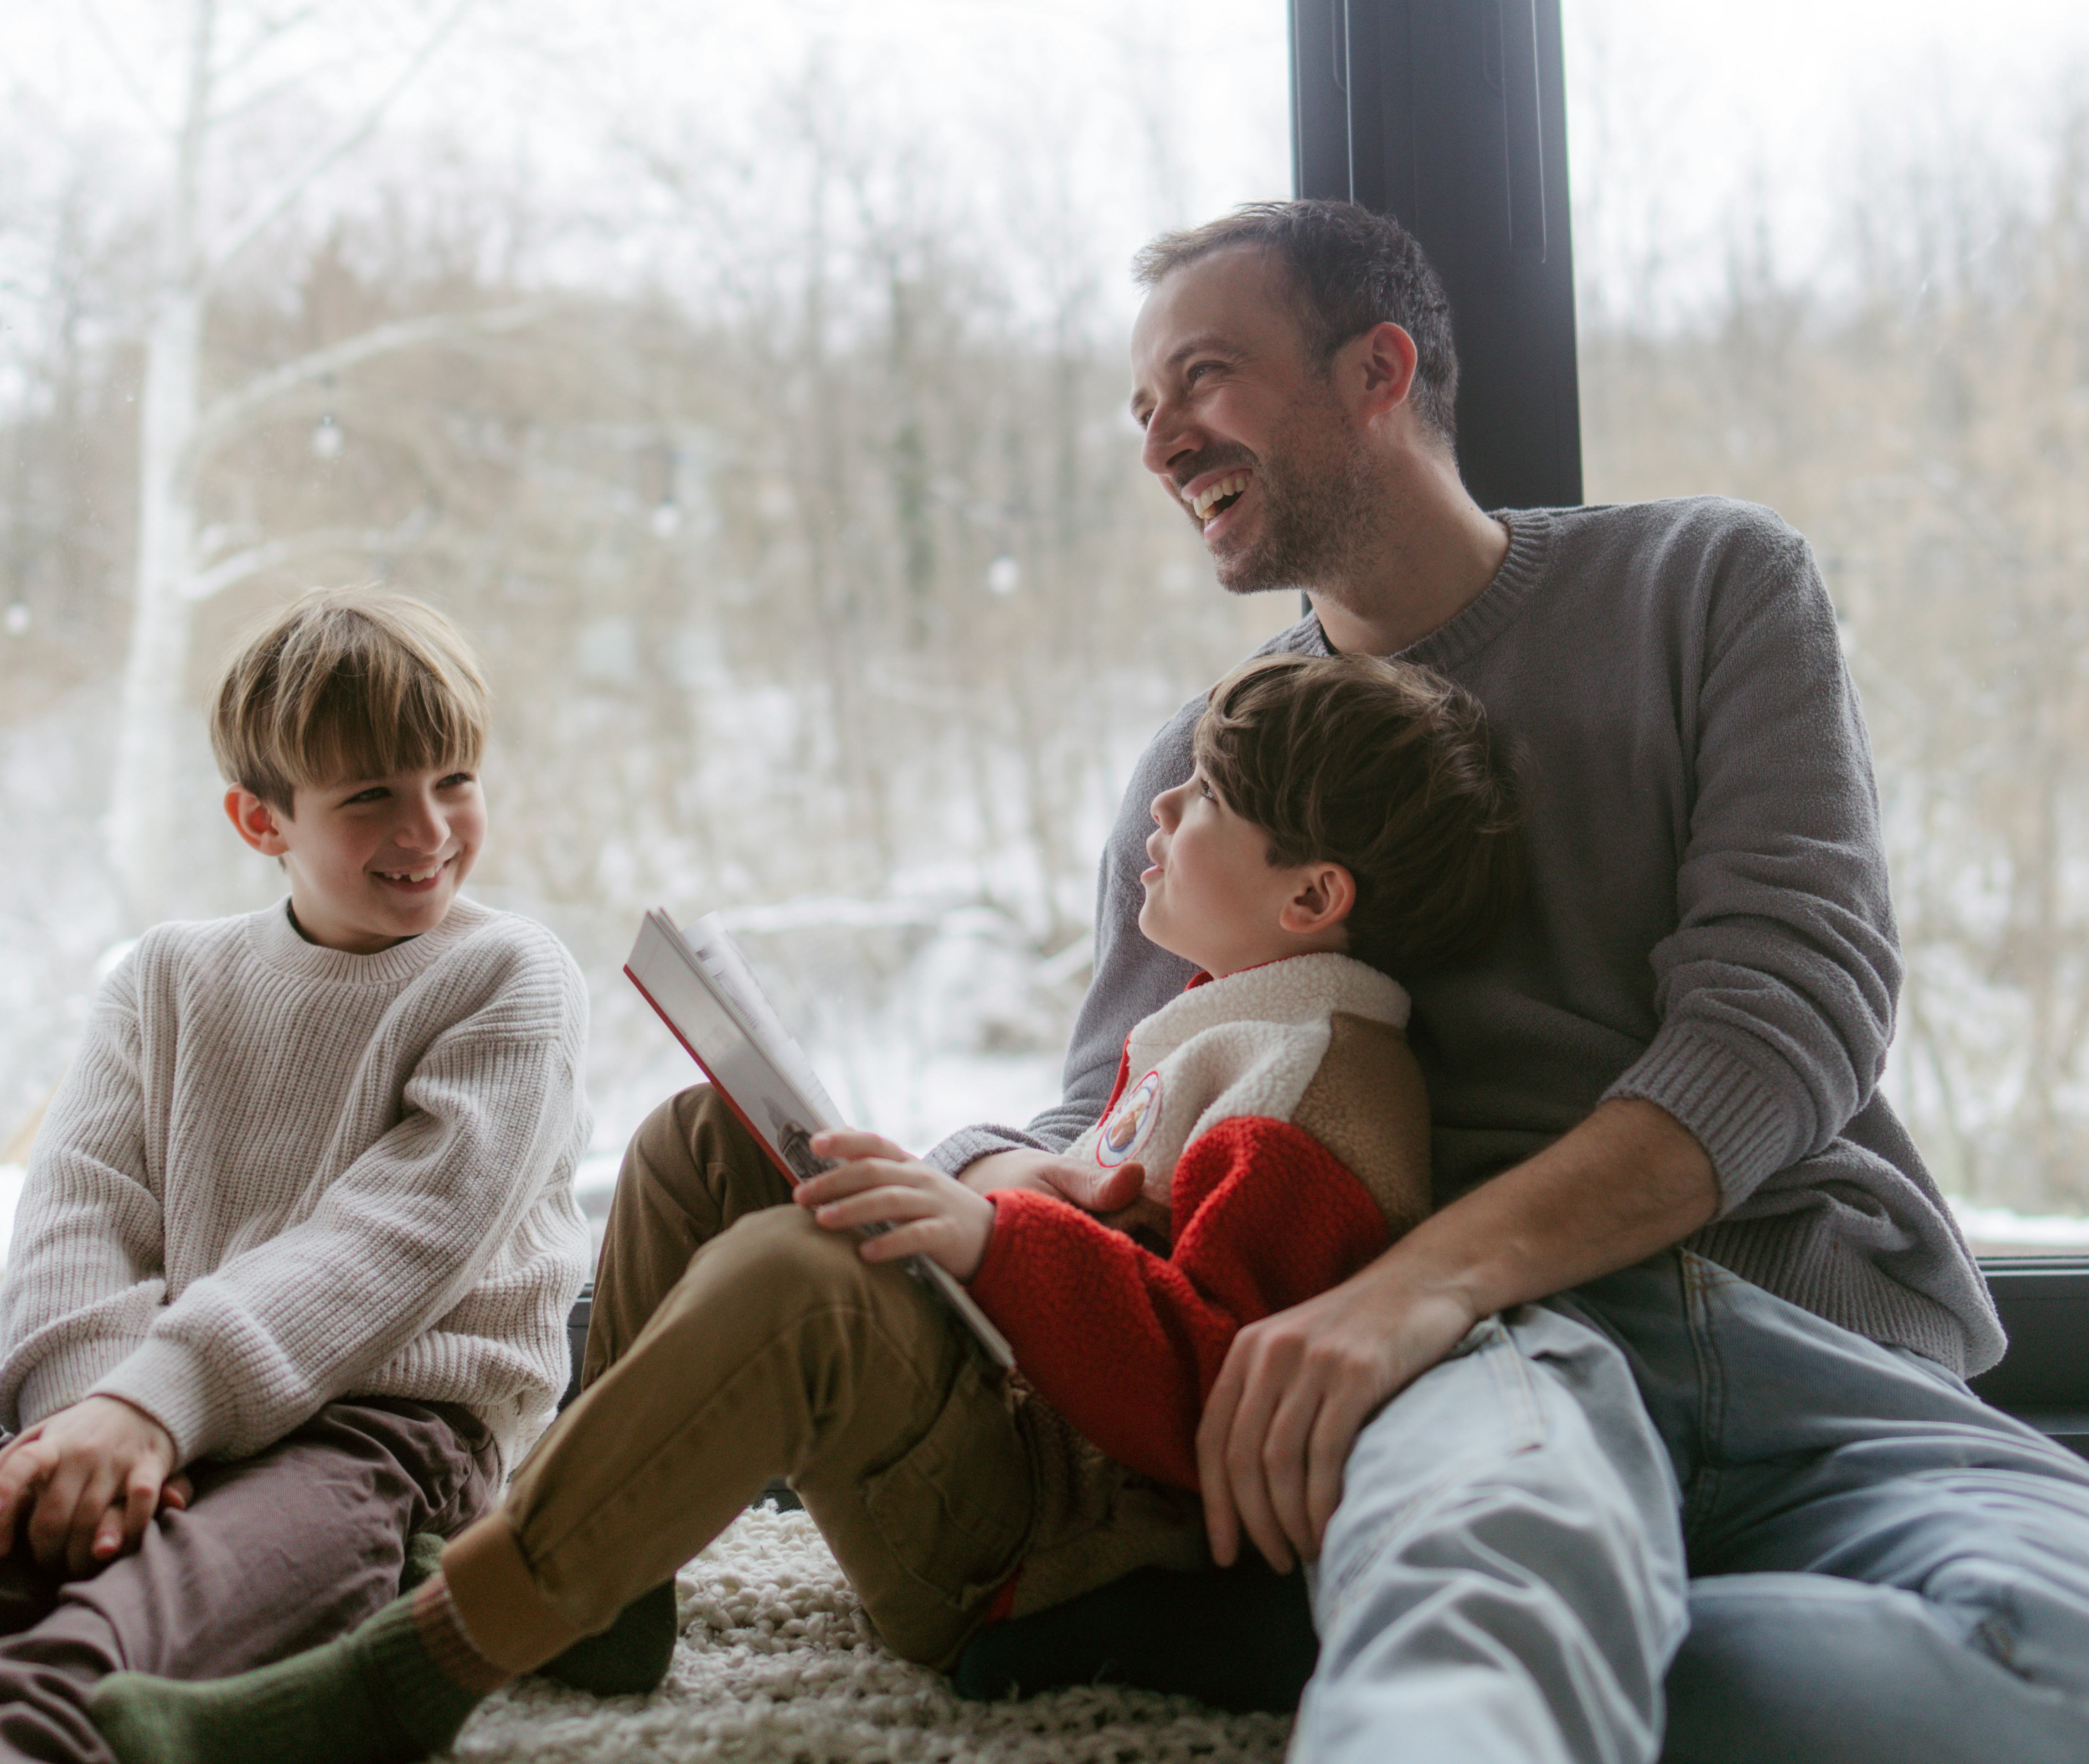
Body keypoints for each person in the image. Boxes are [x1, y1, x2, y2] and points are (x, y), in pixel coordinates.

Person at [927, 202, 2089, 1764]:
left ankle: (1339, 1646)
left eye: (1201, 379)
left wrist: (1426, 1275)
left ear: (1378, 371)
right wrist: (977, 1173)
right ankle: (1445, 1648)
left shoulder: (1710, 585)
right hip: (1479, 1371)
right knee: (1473, 1665)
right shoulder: (1204, 769)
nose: (1159, 443)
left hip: (1794, 1341)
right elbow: (1096, 1109)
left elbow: (1783, 1018)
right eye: (1141, 408)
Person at [84, 646, 1526, 1764]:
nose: (1161, 806)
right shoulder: (1239, 1016)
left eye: (1209, 799)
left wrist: (994, 1236)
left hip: (1051, 1551)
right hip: (1026, 1440)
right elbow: (1129, 1238)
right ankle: (606, 1587)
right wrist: (1016, 1189)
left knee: (798, 1281)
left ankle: (400, 1681)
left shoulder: (1321, 1089)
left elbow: (1217, 1399)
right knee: (705, 1140)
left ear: (1311, 893)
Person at [0, 587, 588, 1761]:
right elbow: (80, 1213)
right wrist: (95, 1424)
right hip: (139, 1404)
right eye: (372, 796)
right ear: (261, 821)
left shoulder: (512, 976)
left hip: (382, 1427)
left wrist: (157, 1409)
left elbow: (397, 1243)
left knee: (115, 1647)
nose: (428, 830)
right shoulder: (168, 978)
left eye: (454, 780)